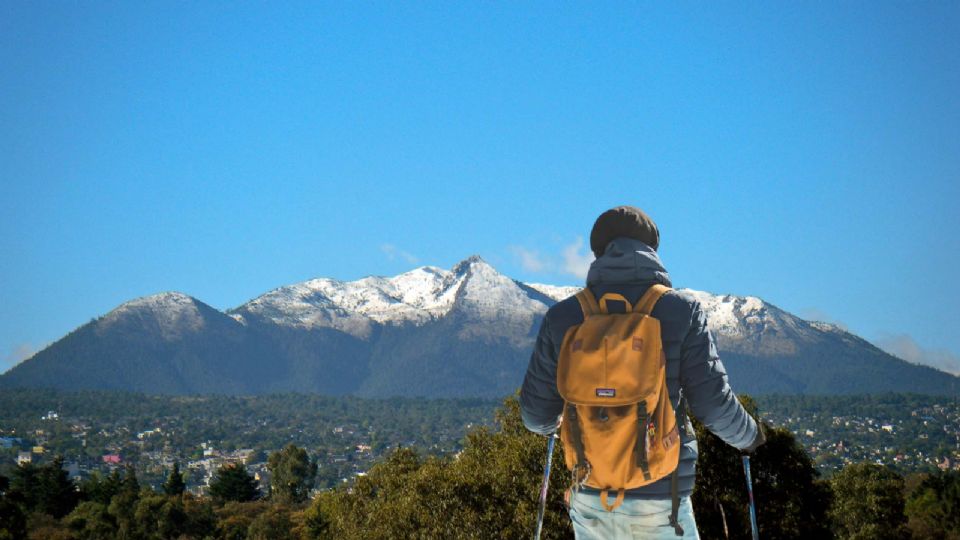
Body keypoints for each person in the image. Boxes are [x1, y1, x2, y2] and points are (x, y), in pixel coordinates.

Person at [520, 206, 765, 539]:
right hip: (662, 500)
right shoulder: (681, 311)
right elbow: (713, 406)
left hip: (592, 496)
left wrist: (569, 422)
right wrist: (750, 437)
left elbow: (536, 416)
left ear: (598, 251)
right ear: (652, 249)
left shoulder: (563, 317)